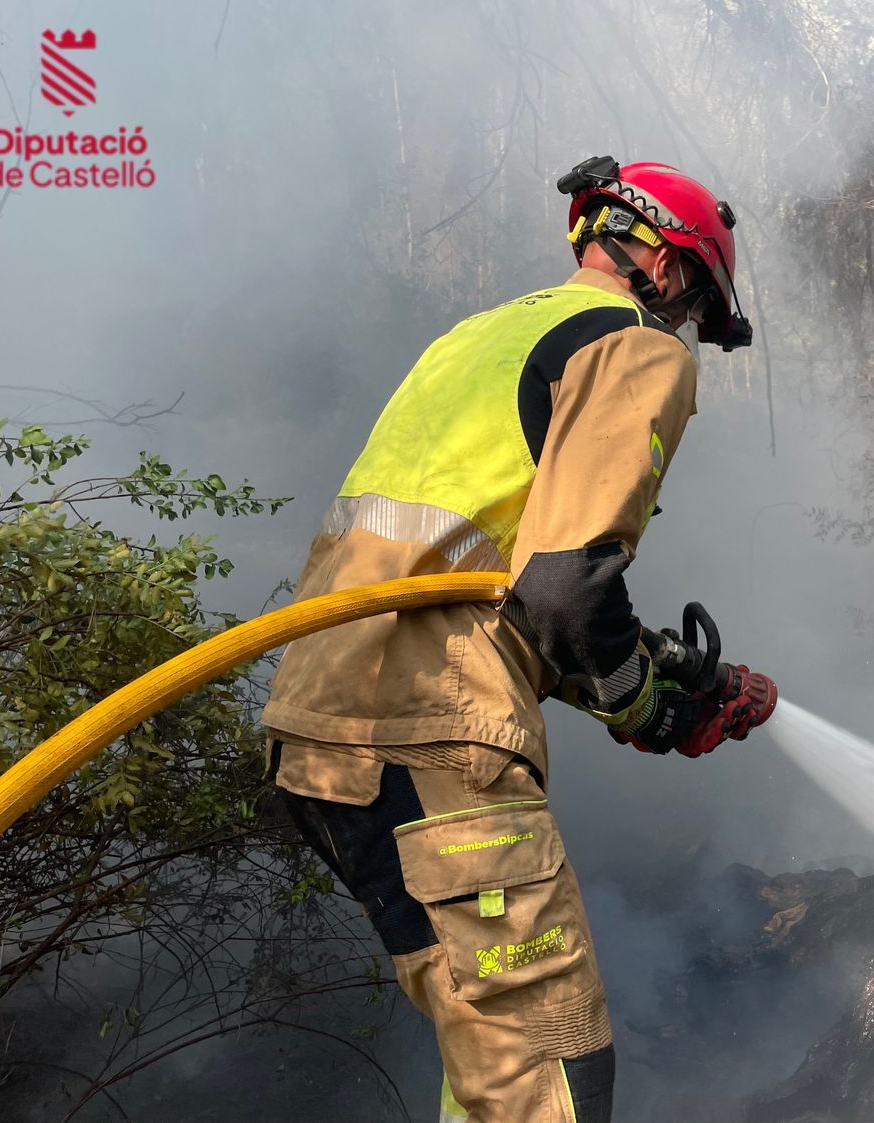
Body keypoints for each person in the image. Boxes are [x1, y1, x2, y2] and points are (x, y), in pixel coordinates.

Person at [262, 157, 755, 1123]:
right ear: (663, 264)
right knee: (548, 1082)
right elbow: (565, 588)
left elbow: (495, 591)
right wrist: (646, 704)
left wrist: (654, 674)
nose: (688, 327)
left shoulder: (474, 340)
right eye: (696, 301)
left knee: (487, 1060)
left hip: (323, 733)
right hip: (429, 731)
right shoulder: (637, 344)